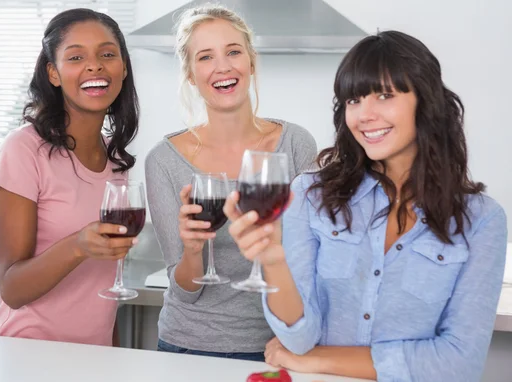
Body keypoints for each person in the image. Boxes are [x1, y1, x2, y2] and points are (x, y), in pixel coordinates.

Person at [225, 30, 507, 380]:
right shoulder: (311, 194)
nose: (364, 115)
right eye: (353, 101)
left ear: (425, 101)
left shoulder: (481, 220)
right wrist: (273, 261)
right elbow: (298, 338)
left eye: (384, 95)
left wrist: (317, 361)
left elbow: (459, 362)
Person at [145, 4, 317, 361]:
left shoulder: (296, 144)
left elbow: (311, 259)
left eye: (233, 52)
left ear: (251, 62)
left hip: (278, 345)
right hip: (188, 345)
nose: (223, 66)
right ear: (190, 74)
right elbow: (186, 290)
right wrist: (192, 250)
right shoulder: (163, 161)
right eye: (205, 57)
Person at [0, 8, 140, 346]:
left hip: (92, 358)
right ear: (53, 74)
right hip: (29, 355)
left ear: (123, 67)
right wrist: (78, 246)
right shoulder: (23, 150)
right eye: (76, 57)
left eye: (107, 54)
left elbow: (101, 292)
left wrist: (111, 356)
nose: (95, 65)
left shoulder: (116, 161)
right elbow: (12, 290)